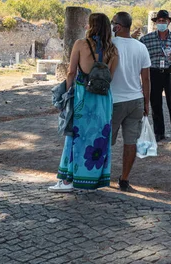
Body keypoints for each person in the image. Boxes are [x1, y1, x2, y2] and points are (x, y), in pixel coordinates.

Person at [48, 13, 118, 192]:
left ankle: (68, 180)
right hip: (103, 99)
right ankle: (93, 180)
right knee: (99, 137)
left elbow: (71, 72)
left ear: (91, 26)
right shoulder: (113, 50)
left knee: (76, 135)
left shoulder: (80, 44)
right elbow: (110, 77)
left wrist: (66, 93)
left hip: (82, 96)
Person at [110, 12, 151, 192]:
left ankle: (99, 173)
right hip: (135, 100)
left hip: (113, 100)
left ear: (117, 26)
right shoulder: (141, 47)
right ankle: (124, 178)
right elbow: (146, 79)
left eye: (113, 23)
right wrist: (146, 102)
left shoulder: (110, 45)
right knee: (130, 142)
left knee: (105, 140)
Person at [140, 9, 171, 143]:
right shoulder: (146, 39)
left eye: (164, 21)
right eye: (159, 21)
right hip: (153, 73)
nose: (161, 23)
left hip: (170, 73)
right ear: (156, 23)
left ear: (168, 22)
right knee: (155, 104)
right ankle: (159, 133)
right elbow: (139, 51)